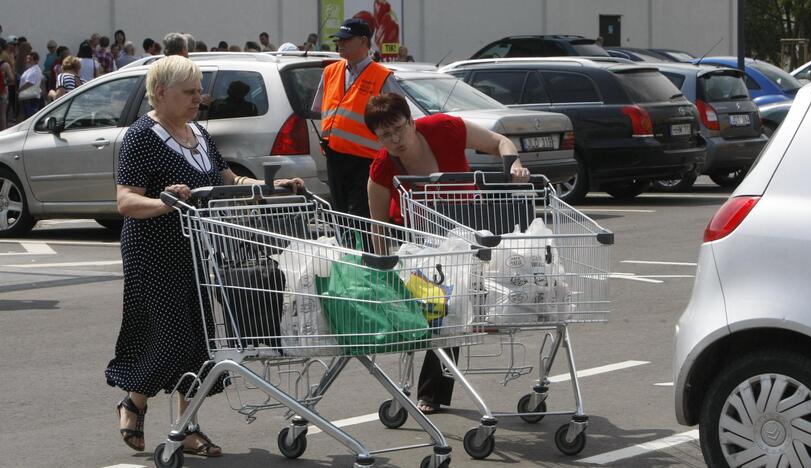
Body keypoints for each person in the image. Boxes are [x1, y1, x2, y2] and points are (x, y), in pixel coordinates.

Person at [105, 55, 303, 457]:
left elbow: (226, 180)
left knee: (200, 344)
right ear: (161, 93)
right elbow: (126, 201)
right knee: (171, 339)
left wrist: (271, 188)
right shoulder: (142, 137)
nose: (200, 98)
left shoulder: (199, 134)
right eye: (190, 91)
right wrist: (164, 203)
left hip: (199, 250)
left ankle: (184, 426)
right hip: (154, 252)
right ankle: (136, 403)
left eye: (200, 91)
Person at [363, 93, 530, 412]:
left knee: (458, 305)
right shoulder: (383, 167)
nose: (395, 139)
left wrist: (515, 165)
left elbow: (499, 142)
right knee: (444, 305)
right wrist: (385, 271)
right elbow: (378, 226)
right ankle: (429, 392)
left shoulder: (444, 128)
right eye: (385, 135)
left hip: (463, 229)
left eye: (399, 128)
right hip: (417, 241)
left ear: (411, 121)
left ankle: (431, 393)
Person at [310, 18, 405, 218]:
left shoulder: (381, 75)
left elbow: (400, 115)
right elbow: (322, 109)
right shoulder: (330, 72)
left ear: (363, 41)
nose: (339, 44)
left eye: (345, 40)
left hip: (366, 160)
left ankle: (361, 250)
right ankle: (348, 249)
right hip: (334, 156)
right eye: (338, 40)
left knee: (359, 216)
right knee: (340, 214)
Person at [18, 51, 43, 118]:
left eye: (30, 59)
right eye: (27, 59)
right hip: (28, 96)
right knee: (27, 115)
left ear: (36, 61)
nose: (28, 61)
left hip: (31, 97)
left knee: (30, 116)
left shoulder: (35, 70)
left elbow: (30, 82)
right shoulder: (31, 69)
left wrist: (19, 90)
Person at [0, 38, 12, 130]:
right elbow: (12, 78)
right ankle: (2, 133)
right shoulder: (5, 65)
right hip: (2, 91)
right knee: (3, 114)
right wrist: (5, 82)